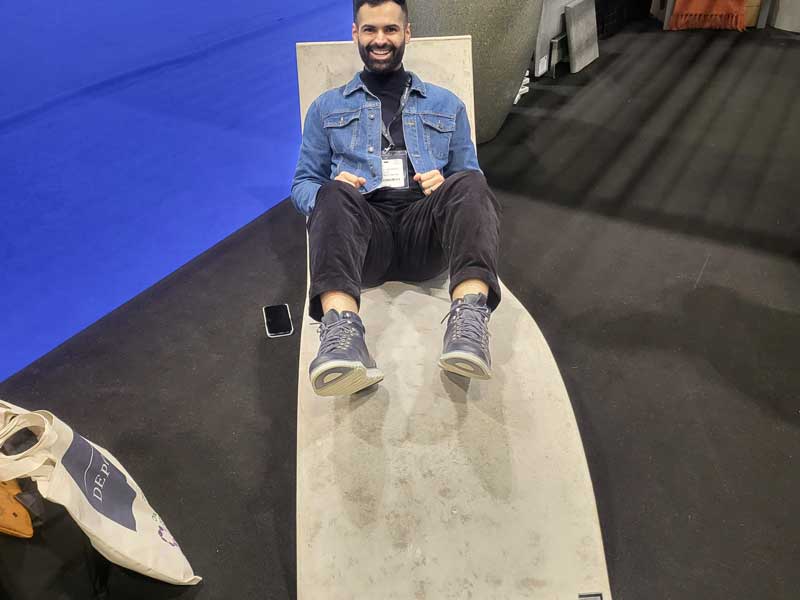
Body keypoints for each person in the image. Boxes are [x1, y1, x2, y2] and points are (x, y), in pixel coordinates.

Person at [291, 0, 502, 397]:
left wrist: (447, 182)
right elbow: (302, 184)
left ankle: (469, 325)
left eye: (390, 30)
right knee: (331, 191)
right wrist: (336, 187)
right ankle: (341, 334)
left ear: (408, 33)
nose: (380, 40)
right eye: (370, 30)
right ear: (355, 33)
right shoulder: (326, 108)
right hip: (365, 236)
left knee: (470, 182)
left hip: (425, 230)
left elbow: (473, 182)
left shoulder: (446, 104)